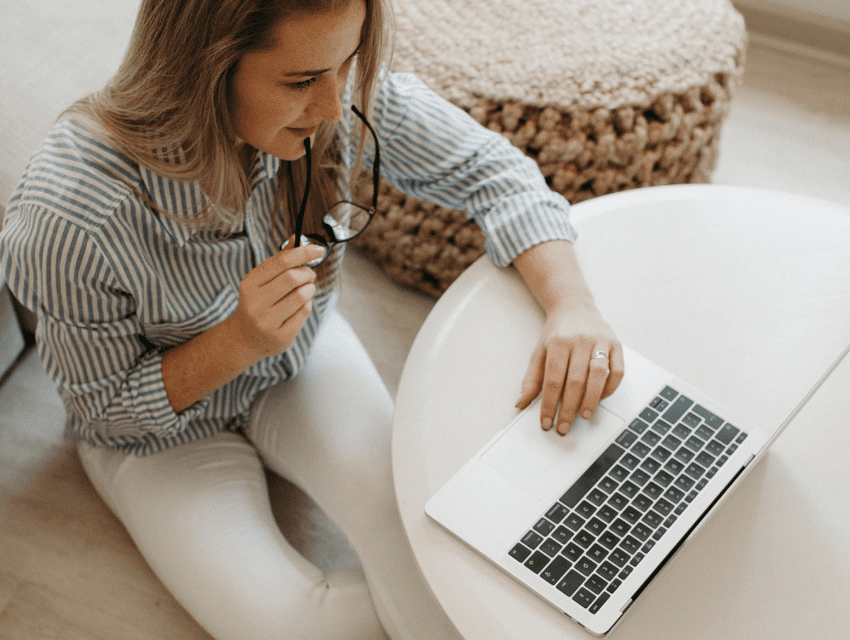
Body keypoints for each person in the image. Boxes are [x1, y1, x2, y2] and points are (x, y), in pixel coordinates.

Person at [0, 0, 624, 638]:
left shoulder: (338, 96)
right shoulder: (68, 219)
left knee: (436, 544)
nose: (332, 106)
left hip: (298, 357)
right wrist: (238, 340)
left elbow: (497, 175)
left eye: (345, 63)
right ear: (203, 70)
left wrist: (571, 306)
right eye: (299, 81)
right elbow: (104, 411)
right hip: (161, 437)